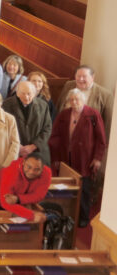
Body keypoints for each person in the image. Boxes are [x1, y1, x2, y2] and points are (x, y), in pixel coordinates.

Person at [49, 88, 107, 226]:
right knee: (66, 188)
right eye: (72, 99)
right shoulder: (64, 114)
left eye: (77, 99)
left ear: (83, 100)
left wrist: (97, 158)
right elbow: (55, 137)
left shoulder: (93, 114)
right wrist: (56, 158)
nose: (74, 102)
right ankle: (67, 215)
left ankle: (83, 217)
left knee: (84, 190)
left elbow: (101, 140)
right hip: (65, 159)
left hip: (85, 160)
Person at [0, 153, 52, 221]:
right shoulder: (11, 172)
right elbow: (5, 202)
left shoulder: (46, 172)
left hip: (20, 196)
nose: (31, 172)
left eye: (36, 169)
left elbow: (39, 195)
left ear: (42, 168)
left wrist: (18, 199)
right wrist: (32, 215)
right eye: (29, 167)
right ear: (23, 162)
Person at [3, 80, 53, 165]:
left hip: (38, 150)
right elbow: (3, 129)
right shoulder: (6, 104)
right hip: (14, 151)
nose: (26, 97)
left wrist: (33, 146)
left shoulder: (43, 105)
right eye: (23, 93)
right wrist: (18, 147)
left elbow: (47, 128)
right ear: (17, 93)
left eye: (29, 94)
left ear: (34, 94)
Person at [59, 65, 113, 138]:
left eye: (84, 76)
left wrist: (103, 144)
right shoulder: (68, 85)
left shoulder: (105, 95)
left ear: (92, 77)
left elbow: (108, 123)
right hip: (65, 135)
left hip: (88, 139)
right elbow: (59, 105)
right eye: (78, 76)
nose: (81, 79)